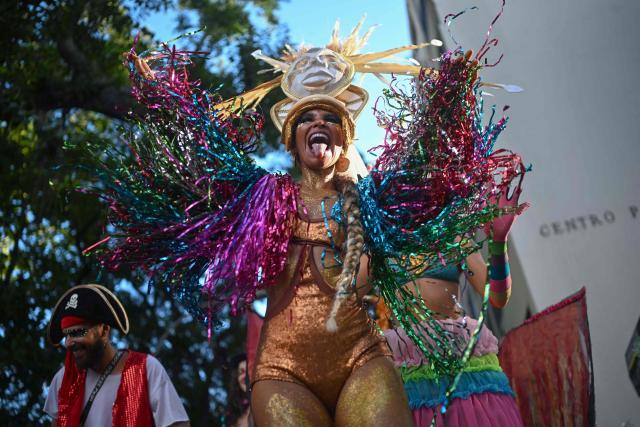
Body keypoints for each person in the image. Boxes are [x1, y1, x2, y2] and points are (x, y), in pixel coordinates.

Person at [85, 17, 526, 427]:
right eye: (307, 118)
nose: (319, 122)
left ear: (344, 139)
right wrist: (167, 99)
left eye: (330, 117)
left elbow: (425, 166)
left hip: (362, 358)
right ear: (292, 142)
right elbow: (201, 172)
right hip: (283, 372)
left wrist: (454, 90)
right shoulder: (261, 198)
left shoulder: (371, 203)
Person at [385, 182, 527, 426]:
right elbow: (345, 290)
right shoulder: (382, 242)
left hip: (457, 350)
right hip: (404, 358)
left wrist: (498, 242)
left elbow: (497, 297)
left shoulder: (454, 237)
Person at [44, 284, 190, 427]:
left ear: (104, 330)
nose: (69, 343)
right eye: (66, 336)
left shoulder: (146, 369)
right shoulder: (63, 380)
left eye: (77, 333)